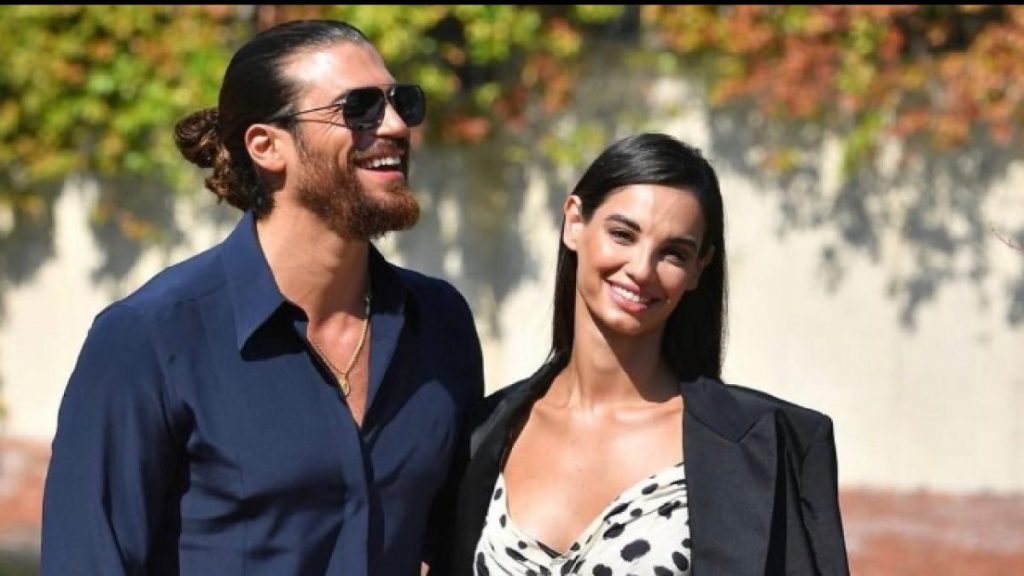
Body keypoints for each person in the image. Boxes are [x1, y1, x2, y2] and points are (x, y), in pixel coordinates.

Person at [41, 19, 483, 575]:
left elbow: (453, 546)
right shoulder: (151, 338)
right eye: (359, 108)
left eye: (402, 102)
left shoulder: (439, 323)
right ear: (267, 146)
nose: (395, 125)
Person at [442, 134, 849, 575]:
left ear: (699, 268)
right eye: (622, 234)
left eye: (673, 253)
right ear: (574, 222)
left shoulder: (770, 445)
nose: (640, 269)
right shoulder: (482, 434)